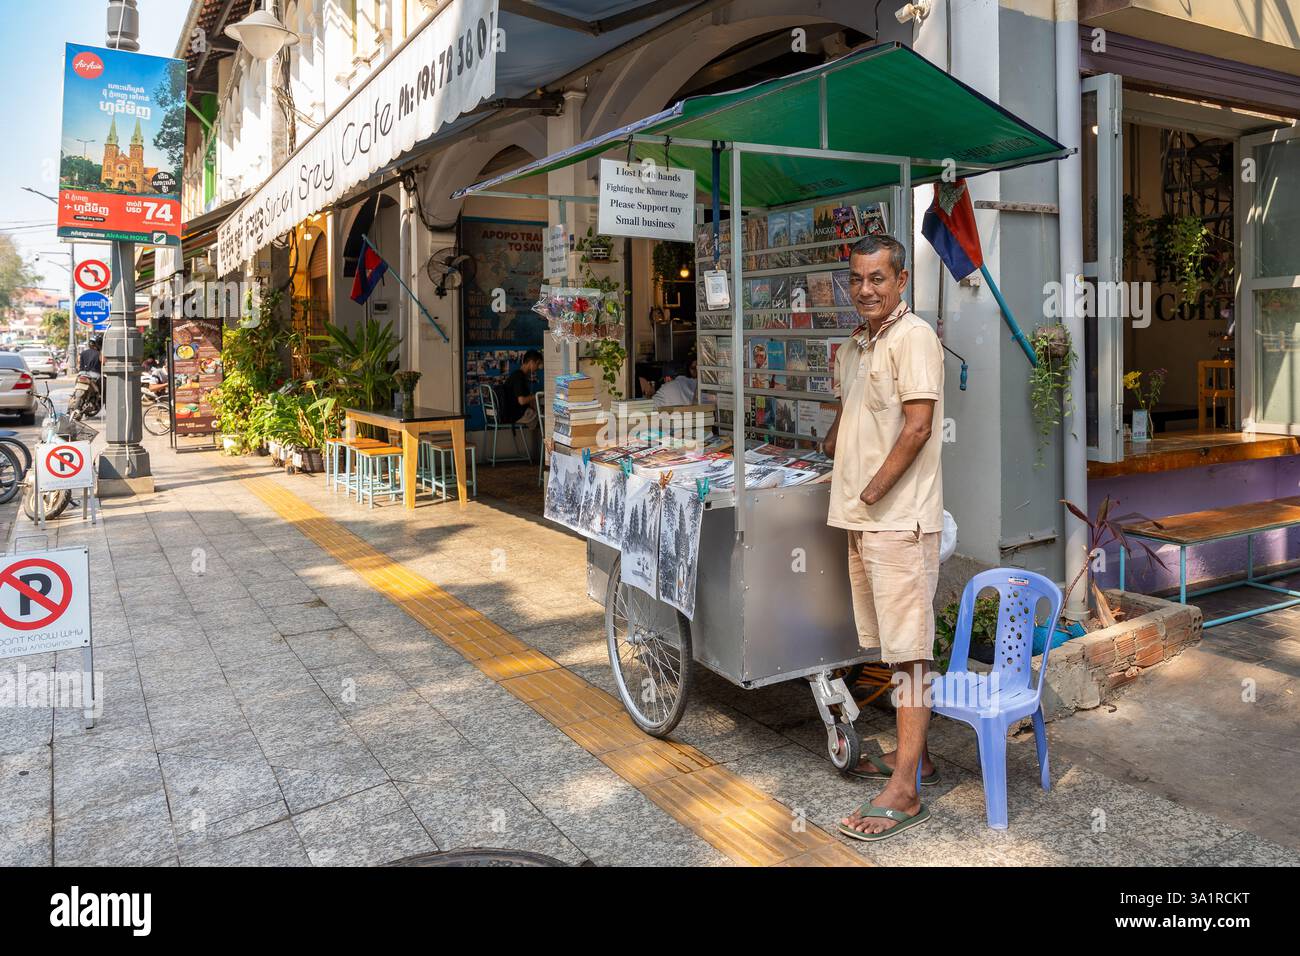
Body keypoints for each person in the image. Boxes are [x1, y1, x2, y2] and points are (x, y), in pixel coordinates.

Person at [822, 234, 944, 843]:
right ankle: (913, 758)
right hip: (860, 520)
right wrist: (832, 450)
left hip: (898, 520)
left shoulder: (913, 336)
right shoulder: (854, 345)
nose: (866, 289)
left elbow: (919, 426)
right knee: (889, 648)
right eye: (858, 279)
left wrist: (871, 490)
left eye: (878, 278)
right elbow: (849, 414)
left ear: (901, 282)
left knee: (911, 651)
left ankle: (906, 789)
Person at [497, 350, 542, 427]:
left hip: (511, 412)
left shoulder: (517, 374)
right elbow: (522, 401)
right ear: (531, 362)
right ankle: (542, 438)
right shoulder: (519, 377)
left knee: (537, 410)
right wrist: (537, 395)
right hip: (515, 415)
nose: (538, 367)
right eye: (537, 364)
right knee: (544, 415)